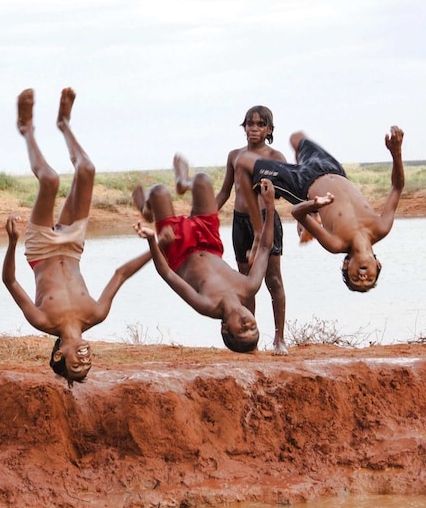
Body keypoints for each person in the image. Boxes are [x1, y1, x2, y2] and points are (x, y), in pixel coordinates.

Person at [2, 88, 151, 386]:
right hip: (72, 247)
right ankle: (64, 124)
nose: (85, 360)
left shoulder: (43, 321)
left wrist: (12, 242)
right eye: (89, 365)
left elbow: (10, 282)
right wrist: (155, 244)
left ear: (59, 356)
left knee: (50, 179)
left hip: (41, 250)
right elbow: (121, 274)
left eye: (77, 365)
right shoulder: (96, 313)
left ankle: (26, 129)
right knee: (87, 169)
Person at [132, 154, 277, 353]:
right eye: (253, 328)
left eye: (242, 331)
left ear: (225, 328)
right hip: (209, 241)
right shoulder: (250, 286)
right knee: (202, 180)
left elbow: (167, 274)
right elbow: (265, 247)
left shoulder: (207, 305)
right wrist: (270, 206)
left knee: (159, 192)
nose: (247, 325)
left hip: (179, 249)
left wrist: (154, 242)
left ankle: (146, 208)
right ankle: (183, 182)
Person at [234, 127, 405, 292]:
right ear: (378, 265)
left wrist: (313, 206)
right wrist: (396, 153)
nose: (362, 277)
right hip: (332, 169)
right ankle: (314, 212)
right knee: (296, 137)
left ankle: (258, 232)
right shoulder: (382, 228)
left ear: (346, 265)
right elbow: (397, 187)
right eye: (369, 279)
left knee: (242, 163)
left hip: (303, 184)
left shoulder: (336, 244)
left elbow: (296, 212)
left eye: (355, 279)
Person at [215, 106, 288, 355]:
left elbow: (288, 190)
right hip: (239, 222)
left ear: (268, 129)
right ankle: (251, 340)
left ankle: (279, 339)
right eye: (249, 124)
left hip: (266, 221)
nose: (253, 128)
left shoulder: (275, 157)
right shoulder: (234, 155)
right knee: (245, 282)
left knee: (273, 280)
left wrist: (306, 216)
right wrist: (204, 215)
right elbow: (225, 192)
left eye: (259, 124)